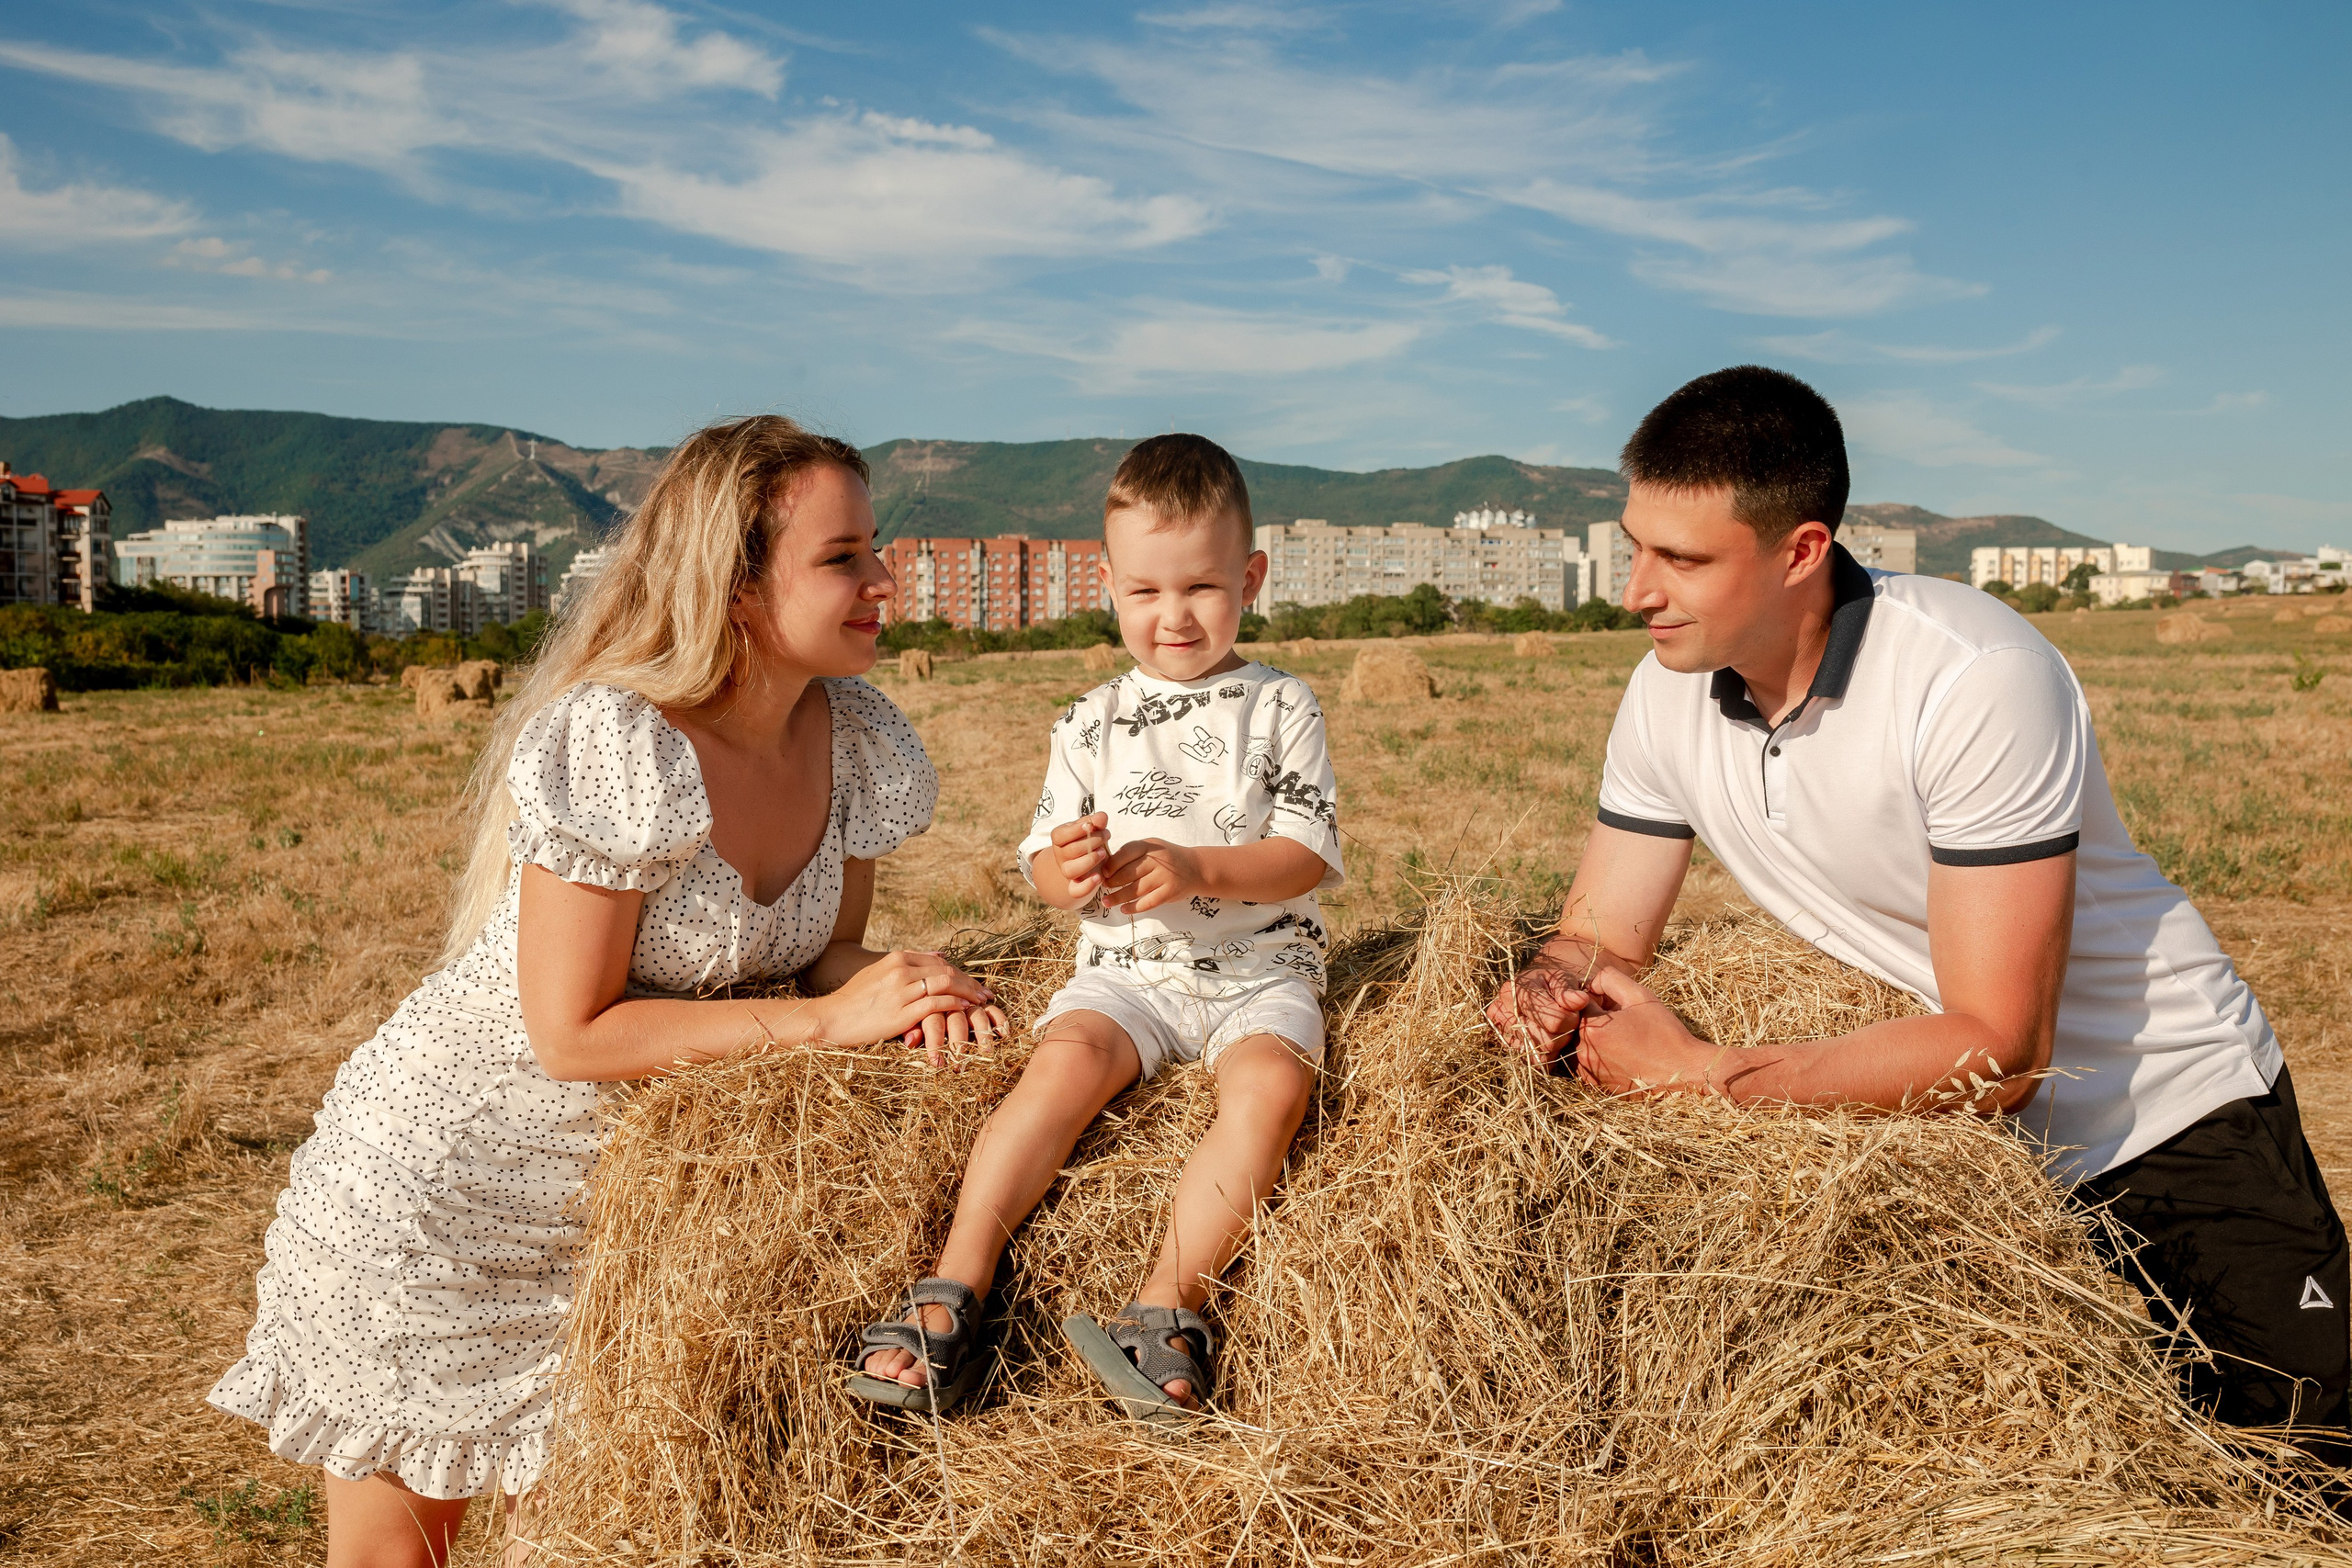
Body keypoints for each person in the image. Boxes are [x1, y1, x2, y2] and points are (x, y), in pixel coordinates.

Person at [1487, 366, 2347, 1450]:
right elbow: (1599, 933)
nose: (1636, 591)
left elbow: (2003, 1050)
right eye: (1634, 547)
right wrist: (1550, 989)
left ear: (1800, 551)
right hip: (1959, 1162)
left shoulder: (1971, 675)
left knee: (2305, 1471)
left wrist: (1697, 1077)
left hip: (2164, 1114)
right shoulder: (1664, 688)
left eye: (1683, 560)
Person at [209, 415, 1007, 1568]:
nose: (885, 580)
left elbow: (813, 951)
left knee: (582, 1543)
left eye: (874, 549)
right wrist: (833, 1021)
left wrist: (907, 983)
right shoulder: (621, 741)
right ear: (735, 584)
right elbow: (569, 1032)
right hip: (449, 1200)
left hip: (631, 1225)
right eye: (843, 558)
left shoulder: (852, 734)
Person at [852, 434, 1342, 1424]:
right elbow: (1040, 863)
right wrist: (1060, 872)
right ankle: (954, 1286)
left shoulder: (1280, 703)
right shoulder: (1090, 718)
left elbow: (1306, 852)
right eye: (1146, 593)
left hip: (1258, 972)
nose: (1173, 617)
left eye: (1201, 588)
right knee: (1062, 1065)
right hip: (1125, 974)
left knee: (1271, 1090)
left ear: (1248, 580)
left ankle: (1166, 1302)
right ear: (1109, 587)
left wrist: (1200, 866)